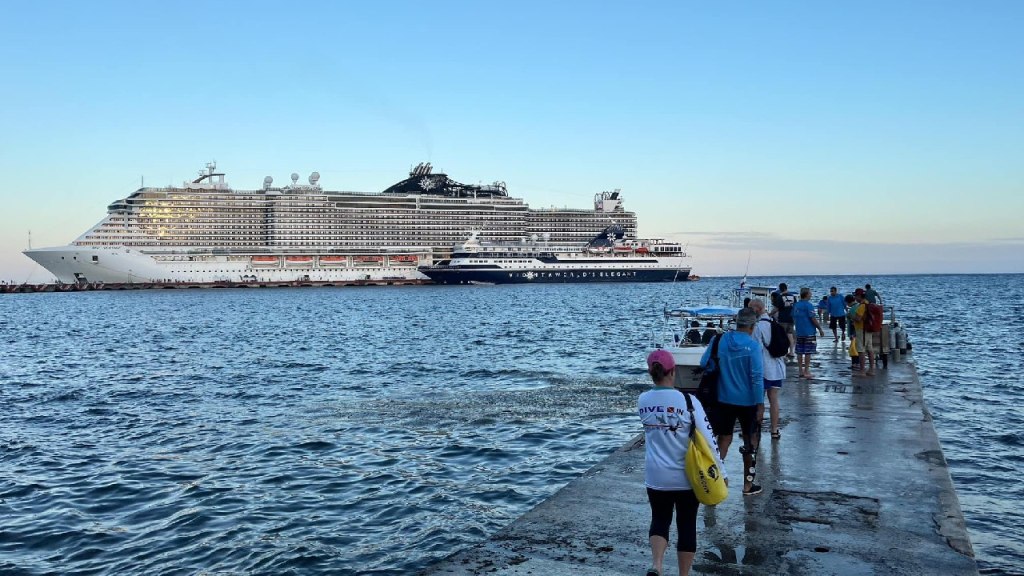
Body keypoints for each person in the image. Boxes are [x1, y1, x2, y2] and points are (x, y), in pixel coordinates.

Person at [639, 349, 726, 576]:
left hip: (656, 475)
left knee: (659, 520)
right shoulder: (688, 401)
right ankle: (683, 575)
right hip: (687, 476)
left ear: (651, 372)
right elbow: (708, 439)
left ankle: (656, 564)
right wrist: (721, 470)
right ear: (673, 371)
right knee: (686, 525)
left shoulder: (643, 400)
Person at [700, 307, 764, 496]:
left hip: (722, 398)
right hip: (748, 402)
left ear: (737, 322)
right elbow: (757, 377)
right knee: (750, 442)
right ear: (752, 326)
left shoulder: (719, 340)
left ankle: (714, 480)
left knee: (723, 439)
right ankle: (748, 484)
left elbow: (704, 363)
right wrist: (760, 404)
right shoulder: (753, 347)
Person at [750, 298, 785, 439]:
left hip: (763, 368)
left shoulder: (758, 327)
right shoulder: (774, 323)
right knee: (774, 400)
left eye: (751, 309)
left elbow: (755, 348)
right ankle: (774, 430)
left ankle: (756, 429)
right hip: (777, 368)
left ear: (757, 309)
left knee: (759, 401)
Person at [793, 287, 826, 379]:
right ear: (807, 294)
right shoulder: (809, 305)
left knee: (799, 351)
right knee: (808, 352)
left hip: (799, 331)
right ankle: (806, 371)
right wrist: (820, 329)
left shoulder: (796, 305)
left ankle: (800, 370)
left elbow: (794, 318)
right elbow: (813, 318)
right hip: (809, 332)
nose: (811, 295)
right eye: (810, 293)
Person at [851, 288, 875, 376]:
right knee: (870, 349)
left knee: (861, 350)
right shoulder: (868, 303)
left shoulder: (862, 306)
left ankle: (862, 371)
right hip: (868, 330)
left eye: (856, 296)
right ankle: (872, 369)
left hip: (862, 330)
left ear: (859, 296)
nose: (855, 298)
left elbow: (858, 318)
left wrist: (851, 316)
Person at [770, 283, 796, 359]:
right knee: (790, 336)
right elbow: (795, 307)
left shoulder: (780, 297)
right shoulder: (793, 296)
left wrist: (770, 314)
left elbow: (777, 308)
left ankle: (783, 353)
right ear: (786, 287)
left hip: (783, 319)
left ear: (780, 289)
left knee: (782, 336)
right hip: (791, 319)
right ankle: (791, 352)